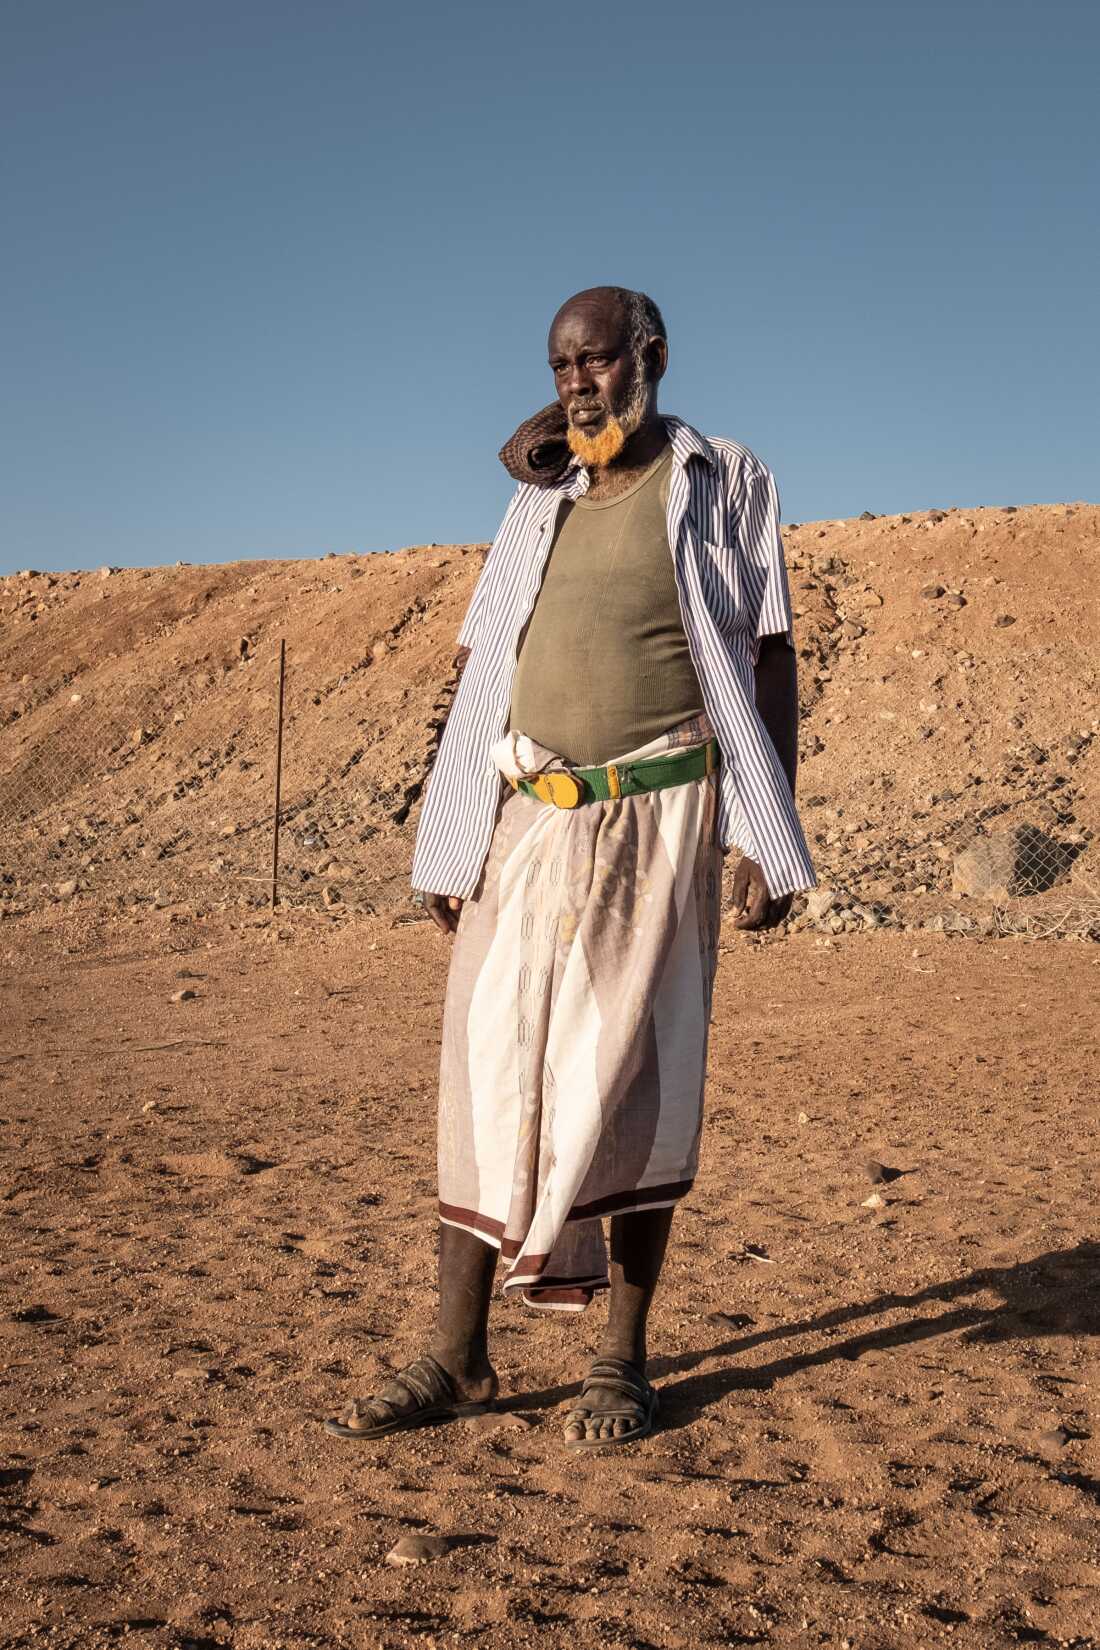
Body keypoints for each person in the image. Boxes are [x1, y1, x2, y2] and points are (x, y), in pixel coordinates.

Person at [325, 286, 817, 1450]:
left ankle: (618, 1364)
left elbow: (771, 654)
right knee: (484, 1074)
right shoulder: (536, 496)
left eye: (594, 361)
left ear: (648, 357)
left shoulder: (723, 478)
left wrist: (765, 829)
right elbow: (483, 659)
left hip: (655, 813)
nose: (575, 383)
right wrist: (451, 830)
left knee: (630, 1084)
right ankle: (457, 1359)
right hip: (524, 817)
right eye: (558, 368)